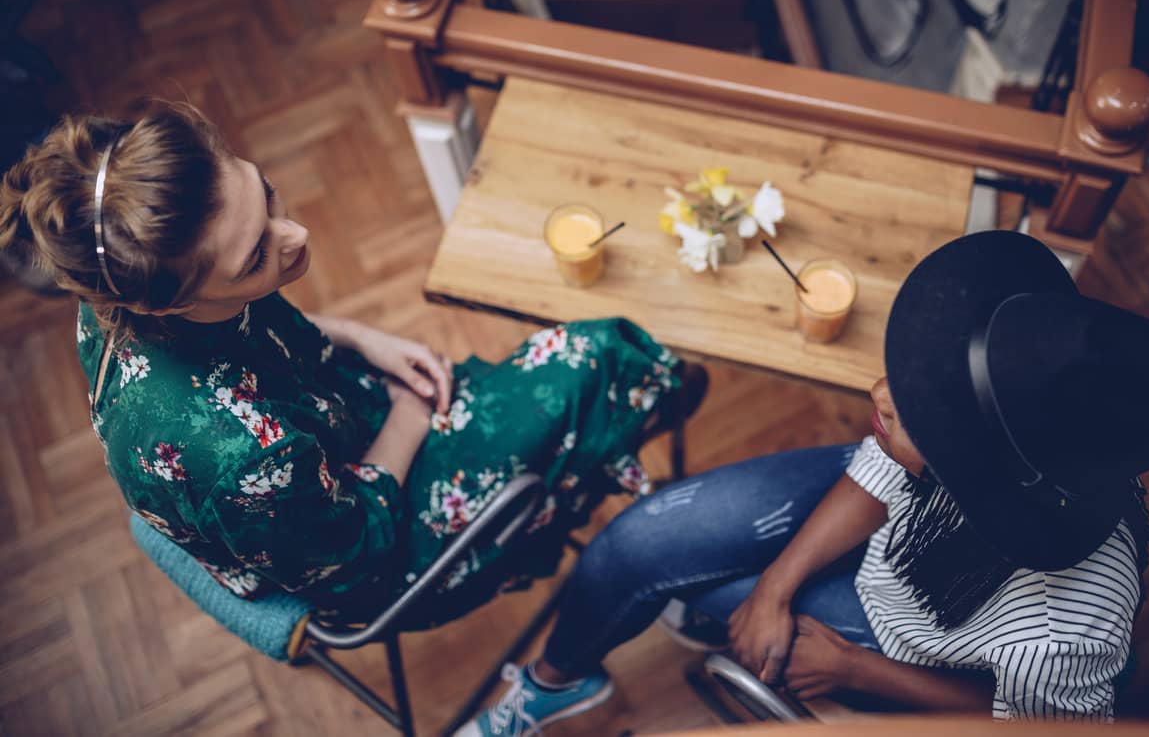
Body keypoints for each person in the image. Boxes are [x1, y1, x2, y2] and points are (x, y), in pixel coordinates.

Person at [458, 230, 1149, 734]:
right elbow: (882, 468)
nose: (877, 391)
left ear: (984, 476)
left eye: (921, 415)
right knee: (632, 546)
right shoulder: (960, 448)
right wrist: (774, 587)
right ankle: (556, 683)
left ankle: (705, 610)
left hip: (897, 642)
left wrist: (855, 669)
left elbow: (1018, 726)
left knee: (673, 581)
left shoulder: (1064, 635)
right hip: (891, 542)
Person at [0, 101, 707, 622]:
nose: (297, 235)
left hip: (316, 443)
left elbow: (247, 332)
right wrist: (407, 414)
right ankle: (646, 490)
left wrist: (356, 339)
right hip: (372, 553)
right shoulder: (237, 454)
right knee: (597, 357)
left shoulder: (121, 286)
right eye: (255, 257)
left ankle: (607, 459)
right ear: (166, 305)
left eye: (265, 193)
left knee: (569, 383)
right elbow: (357, 558)